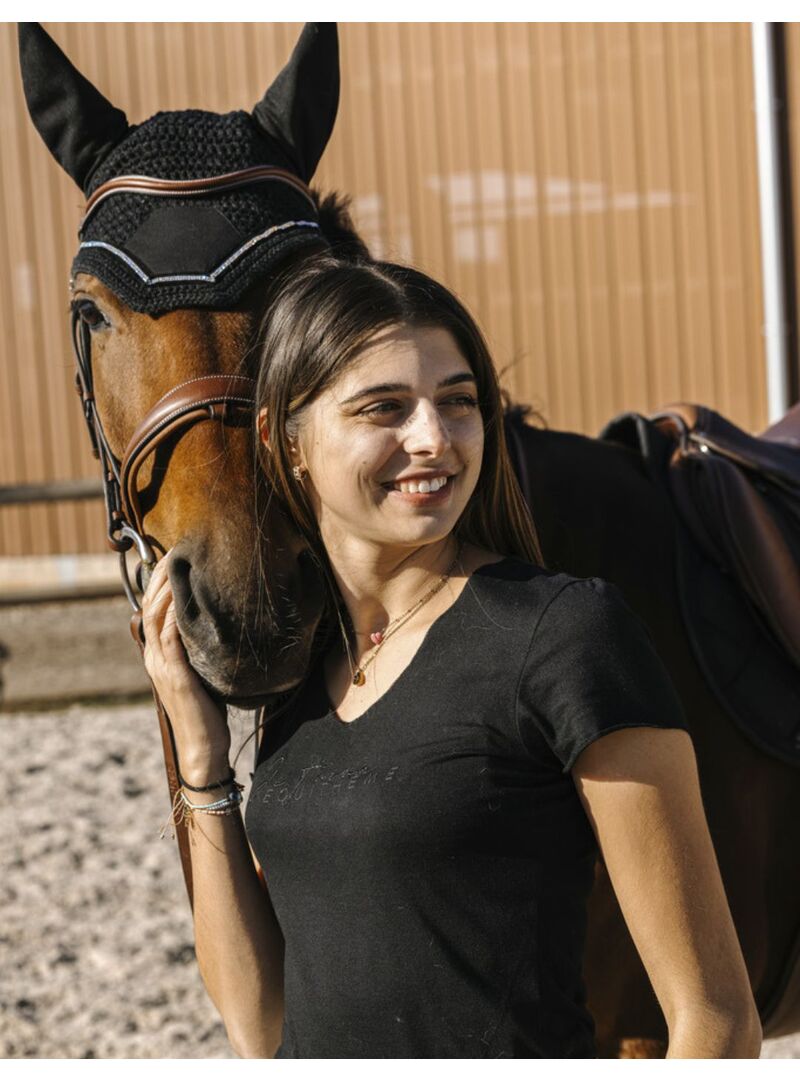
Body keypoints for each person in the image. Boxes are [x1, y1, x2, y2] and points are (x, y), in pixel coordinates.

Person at [141, 255, 762, 1059]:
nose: (433, 439)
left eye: (458, 402)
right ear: (283, 440)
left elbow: (715, 1018)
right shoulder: (304, 677)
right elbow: (261, 1028)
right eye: (384, 408)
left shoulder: (567, 635)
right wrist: (203, 758)